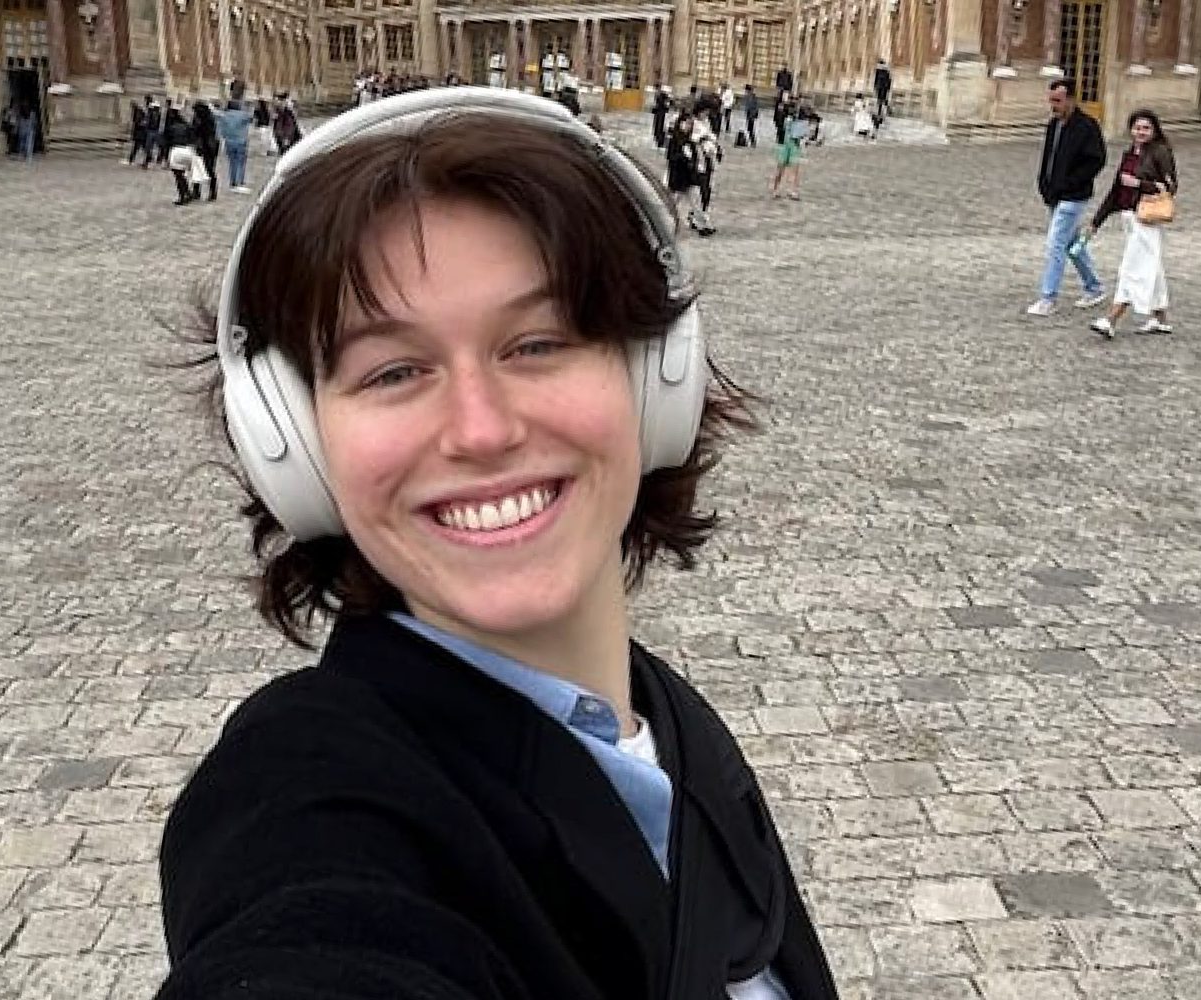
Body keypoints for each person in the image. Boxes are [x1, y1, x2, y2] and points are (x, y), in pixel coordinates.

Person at [155, 88, 837, 1000]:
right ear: (297, 445)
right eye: (393, 370)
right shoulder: (305, 796)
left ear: (652, 378)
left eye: (538, 343)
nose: (479, 430)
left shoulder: (670, 729)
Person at [1085, 109, 1178, 339]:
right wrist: (1097, 221)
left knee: (1132, 269)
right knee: (1151, 268)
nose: (1141, 132)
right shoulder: (1129, 155)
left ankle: (1111, 319)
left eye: (1146, 128)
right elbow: (1116, 191)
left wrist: (1139, 183)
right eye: (1137, 127)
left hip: (1146, 218)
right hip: (1128, 218)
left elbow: (1170, 186)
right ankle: (1160, 319)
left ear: (1154, 130)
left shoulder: (1160, 153)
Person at [1028, 78, 1107, 317]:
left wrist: (1070, 183)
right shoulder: (1053, 125)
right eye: (1051, 100)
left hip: (1074, 196)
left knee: (1055, 244)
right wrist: (1044, 183)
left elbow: (1097, 160)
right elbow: (1048, 158)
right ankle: (1094, 286)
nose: (1053, 105)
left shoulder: (1087, 126)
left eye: (1058, 101)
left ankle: (1048, 297)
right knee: (1071, 243)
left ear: (1071, 99)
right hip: (1054, 194)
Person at [218, 86, 252, 194]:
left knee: (232, 163)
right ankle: (240, 182)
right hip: (241, 141)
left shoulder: (224, 116)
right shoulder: (242, 115)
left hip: (229, 141)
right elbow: (251, 117)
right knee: (241, 162)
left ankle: (233, 182)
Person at [163, 107, 199, 206]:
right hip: (188, 150)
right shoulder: (186, 126)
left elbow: (165, 142)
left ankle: (183, 195)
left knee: (178, 176)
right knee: (188, 174)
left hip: (176, 150)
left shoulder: (170, 128)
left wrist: (165, 157)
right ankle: (191, 192)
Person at [771, 102, 806, 200]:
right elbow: (777, 122)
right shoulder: (782, 116)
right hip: (784, 144)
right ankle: (775, 189)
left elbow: (803, 130)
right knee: (780, 168)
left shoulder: (800, 116)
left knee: (794, 169)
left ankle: (793, 190)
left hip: (794, 144)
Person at [190, 101, 219, 202]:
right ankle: (200, 191)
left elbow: (197, 132)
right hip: (207, 146)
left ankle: (207, 192)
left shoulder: (203, 120)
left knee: (206, 169)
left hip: (206, 147)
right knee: (201, 169)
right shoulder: (207, 119)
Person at [125, 100, 148, 165]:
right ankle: (146, 159)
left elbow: (137, 123)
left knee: (137, 147)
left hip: (139, 133)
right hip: (140, 133)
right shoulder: (139, 111)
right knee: (141, 147)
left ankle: (131, 160)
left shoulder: (137, 112)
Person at [740, 83, 760, 149]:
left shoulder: (751, 97)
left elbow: (754, 106)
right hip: (749, 114)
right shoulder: (749, 96)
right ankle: (752, 141)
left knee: (750, 128)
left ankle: (753, 141)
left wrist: (753, 114)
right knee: (749, 128)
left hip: (751, 114)